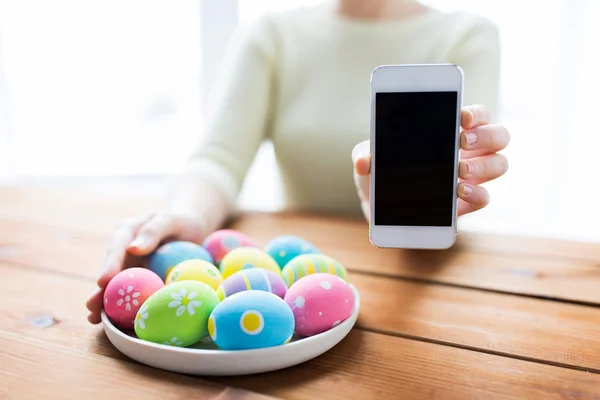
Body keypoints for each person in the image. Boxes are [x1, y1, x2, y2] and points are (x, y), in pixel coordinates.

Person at [86, 0, 510, 323]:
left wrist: (423, 197)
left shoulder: (467, 34)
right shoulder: (274, 33)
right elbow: (219, 158)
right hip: (295, 285)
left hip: (424, 293)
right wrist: (184, 215)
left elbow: (458, 166)